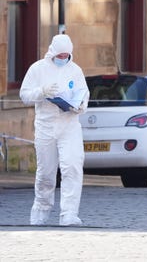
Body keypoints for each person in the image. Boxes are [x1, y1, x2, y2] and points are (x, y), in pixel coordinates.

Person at [19, 33, 89, 226]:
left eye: (66, 56)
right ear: (52, 52)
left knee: (72, 166)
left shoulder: (75, 70)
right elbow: (24, 95)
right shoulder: (37, 69)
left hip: (69, 124)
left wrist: (80, 106)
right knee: (46, 172)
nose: (63, 59)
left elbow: (83, 95)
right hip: (45, 126)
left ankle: (69, 213)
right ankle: (40, 211)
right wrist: (41, 92)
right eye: (60, 56)